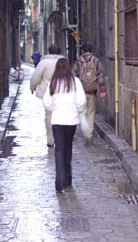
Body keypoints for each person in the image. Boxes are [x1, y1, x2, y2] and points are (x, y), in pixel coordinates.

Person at [43, 58, 86, 192]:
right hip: (71, 121)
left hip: (57, 121)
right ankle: (67, 178)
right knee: (68, 148)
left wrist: (53, 110)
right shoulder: (75, 82)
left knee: (59, 149)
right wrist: (76, 110)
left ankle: (59, 180)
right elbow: (81, 101)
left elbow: (47, 102)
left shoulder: (53, 82)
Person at [73, 42, 106, 146]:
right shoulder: (96, 61)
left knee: (82, 114)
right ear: (91, 50)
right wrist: (103, 90)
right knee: (91, 113)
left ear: (82, 50)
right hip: (92, 92)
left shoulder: (78, 61)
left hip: (80, 93)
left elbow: (74, 76)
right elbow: (100, 75)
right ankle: (89, 134)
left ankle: (84, 132)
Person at [30, 44, 63, 147]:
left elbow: (36, 76)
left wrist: (33, 87)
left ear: (49, 52)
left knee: (49, 115)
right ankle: (60, 138)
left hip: (48, 92)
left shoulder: (43, 62)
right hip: (62, 91)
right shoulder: (63, 61)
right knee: (61, 114)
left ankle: (50, 140)